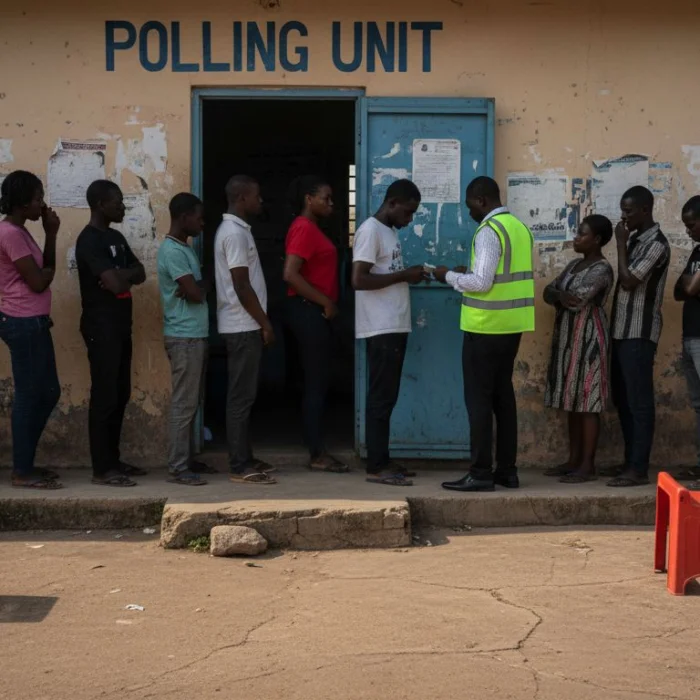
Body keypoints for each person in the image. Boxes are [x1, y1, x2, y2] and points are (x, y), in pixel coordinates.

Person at [434, 176, 535, 492]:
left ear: (481, 200)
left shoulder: (490, 232)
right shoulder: (518, 228)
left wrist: (447, 276)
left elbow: (482, 283)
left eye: (470, 207)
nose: (470, 213)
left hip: (485, 327)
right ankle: (507, 471)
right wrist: (470, 274)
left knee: (478, 401)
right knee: (503, 398)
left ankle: (480, 473)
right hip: (512, 326)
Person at [351, 179, 427, 486]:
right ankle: (376, 465)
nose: (409, 220)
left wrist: (407, 276)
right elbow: (358, 279)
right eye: (407, 212)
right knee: (381, 397)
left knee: (388, 396)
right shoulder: (370, 231)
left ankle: (383, 458)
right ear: (392, 202)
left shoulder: (389, 232)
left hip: (394, 324)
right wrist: (404, 276)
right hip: (380, 326)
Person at [75, 180, 147, 487]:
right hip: (100, 326)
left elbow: (140, 272)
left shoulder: (115, 236)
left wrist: (122, 274)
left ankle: (114, 460)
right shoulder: (88, 241)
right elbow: (116, 285)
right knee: (105, 396)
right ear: (101, 204)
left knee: (120, 393)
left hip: (120, 325)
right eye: (117, 202)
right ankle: (102, 469)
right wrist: (121, 277)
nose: (122, 207)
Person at [0, 171, 63, 489]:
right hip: (21, 322)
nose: (43, 204)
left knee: (50, 392)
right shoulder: (9, 233)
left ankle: (26, 463)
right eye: (38, 198)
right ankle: (22, 470)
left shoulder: (22, 231)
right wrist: (48, 268)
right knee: (29, 395)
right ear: (24, 203)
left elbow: (45, 270)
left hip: (34, 321)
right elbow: (38, 281)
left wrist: (50, 233)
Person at [604, 186, 669, 488]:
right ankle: (630, 461)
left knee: (639, 402)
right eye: (622, 210)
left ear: (645, 210)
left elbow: (629, 281)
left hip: (639, 334)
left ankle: (638, 468)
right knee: (624, 400)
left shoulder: (655, 244)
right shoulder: (635, 241)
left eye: (629, 210)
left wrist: (619, 243)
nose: (624, 216)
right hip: (620, 332)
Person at [283, 175, 348, 473]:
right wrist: (325, 302)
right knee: (315, 383)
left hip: (314, 311)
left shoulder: (311, 228)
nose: (331, 204)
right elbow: (291, 274)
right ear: (309, 199)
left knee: (318, 381)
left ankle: (317, 448)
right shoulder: (303, 228)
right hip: (308, 310)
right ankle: (316, 453)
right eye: (326, 198)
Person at [214, 175, 277, 485]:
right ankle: (239, 464)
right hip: (243, 326)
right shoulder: (233, 234)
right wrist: (265, 323)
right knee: (240, 397)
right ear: (241, 199)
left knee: (245, 396)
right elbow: (240, 284)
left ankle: (246, 456)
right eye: (256, 196)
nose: (260, 201)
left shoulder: (238, 231)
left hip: (245, 324)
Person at [542, 215, 614, 483]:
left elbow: (577, 299)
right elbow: (549, 292)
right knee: (572, 400)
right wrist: (559, 295)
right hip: (568, 338)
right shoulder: (574, 264)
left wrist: (559, 295)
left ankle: (587, 464)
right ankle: (573, 460)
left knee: (588, 401)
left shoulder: (602, 269)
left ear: (596, 239)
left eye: (582, 234)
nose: (576, 237)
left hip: (589, 337)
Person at [157, 193, 214, 486]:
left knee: (192, 402)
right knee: (184, 403)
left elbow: (196, 289)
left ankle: (187, 459)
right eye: (198, 217)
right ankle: (179, 467)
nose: (202, 222)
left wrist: (198, 286)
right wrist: (200, 286)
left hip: (193, 334)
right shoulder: (173, 252)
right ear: (183, 218)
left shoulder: (185, 249)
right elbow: (195, 294)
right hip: (184, 336)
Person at [673, 195, 700, 488]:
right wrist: (690, 285)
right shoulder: (696, 253)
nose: (688, 231)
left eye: (691, 225)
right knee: (698, 404)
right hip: (690, 335)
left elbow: (689, 285)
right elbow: (680, 291)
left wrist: (690, 285)